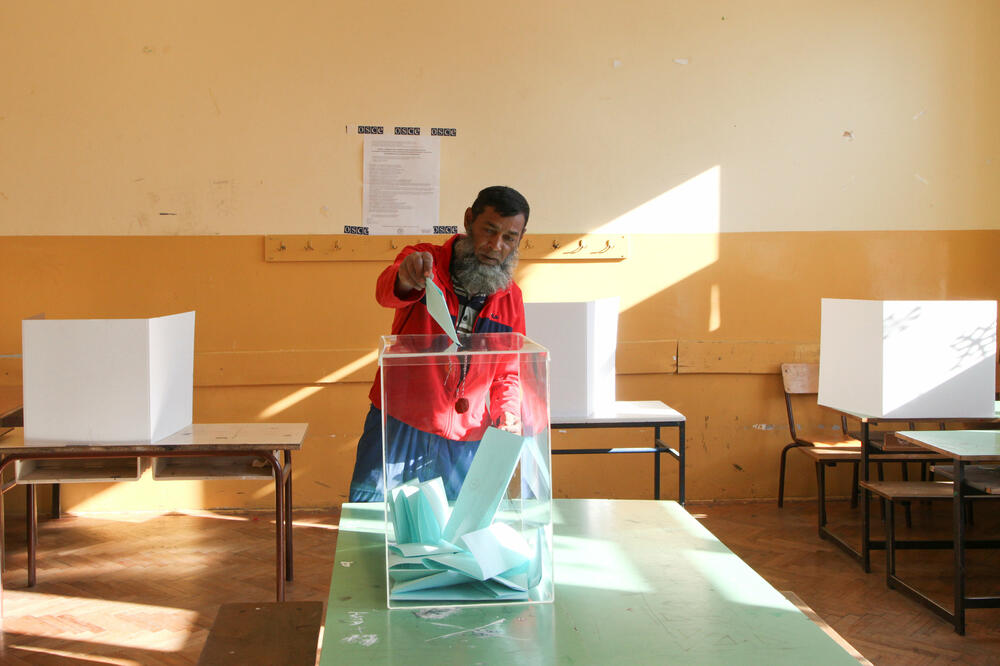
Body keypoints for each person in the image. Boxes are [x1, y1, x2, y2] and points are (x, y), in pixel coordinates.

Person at [348, 186, 530, 502]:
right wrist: (407, 278)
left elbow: (508, 373)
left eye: (509, 238)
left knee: (454, 535)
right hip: (400, 422)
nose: (496, 246)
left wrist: (509, 414)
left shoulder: (510, 297)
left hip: (465, 436)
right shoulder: (424, 262)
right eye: (489, 231)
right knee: (374, 524)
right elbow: (386, 292)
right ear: (469, 220)